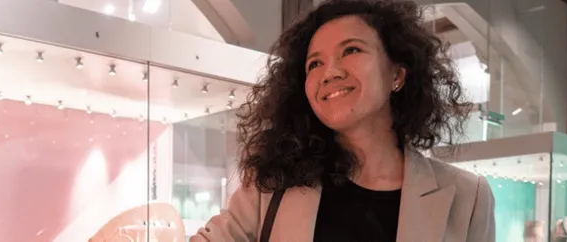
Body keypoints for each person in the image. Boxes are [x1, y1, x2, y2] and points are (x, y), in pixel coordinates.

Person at [190, 0, 493, 241]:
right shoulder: (273, 183)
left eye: (351, 50)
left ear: (397, 75)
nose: (329, 72)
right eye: (314, 64)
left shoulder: (467, 197)